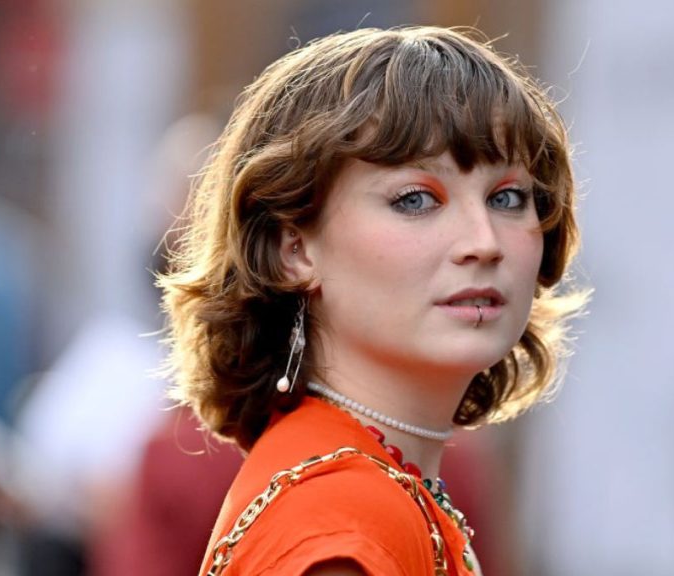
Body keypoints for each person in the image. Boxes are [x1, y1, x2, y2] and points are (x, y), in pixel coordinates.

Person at [158, 26, 584, 576]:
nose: (484, 242)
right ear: (294, 249)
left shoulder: (371, 482)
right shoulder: (341, 518)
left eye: (507, 197)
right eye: (415, 200)